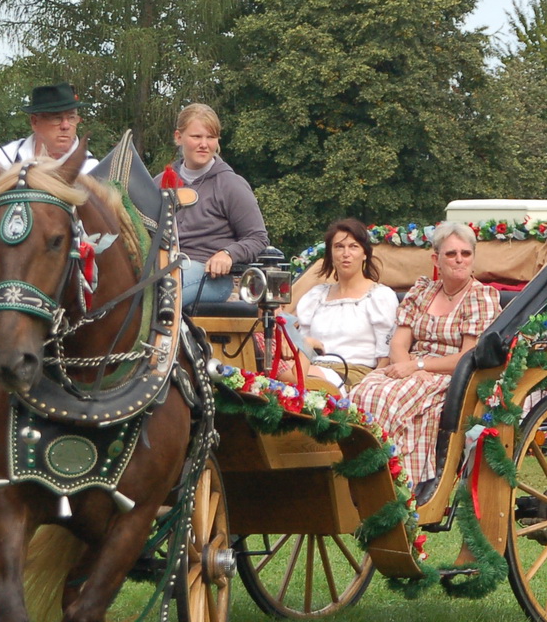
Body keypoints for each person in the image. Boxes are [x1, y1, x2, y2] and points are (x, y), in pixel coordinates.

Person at [351, 222, 501, 496]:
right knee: (364, 391)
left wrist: (418, 366)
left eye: (466, 253)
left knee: (388, 399)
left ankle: (389, 480)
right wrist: (407, 367)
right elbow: (399, 342)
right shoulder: (422, 292)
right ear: (436, 259)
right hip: (409, 367)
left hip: (451, 376)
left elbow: (467, 357)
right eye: (451, 254)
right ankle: (359, 472)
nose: (459, 259)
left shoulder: (480, 296)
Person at [0, 82, 100, 238]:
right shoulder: (7, 155)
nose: (65, 126)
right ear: (34, 122)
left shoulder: (90, 168)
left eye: (71, 117)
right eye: (56, 118)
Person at [160, 104, 269, 307]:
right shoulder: (160, 183)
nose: (204, 144)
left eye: (211, 137)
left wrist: (228, 254)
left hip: (210, 276)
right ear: (178, 137)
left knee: (160, 295)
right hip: (160, 269)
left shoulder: (230, 184)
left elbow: (258, 237)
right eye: (196, 137)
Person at [294, 219, 398, 389]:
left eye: (353, 246)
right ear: (331, 253)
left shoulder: (379, 296)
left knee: (295, 379)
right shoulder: (316, 296)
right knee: (282, 375)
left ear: (365, 253)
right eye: (339, 247)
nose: (346, 253)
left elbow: (385, 356)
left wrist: (368, 388)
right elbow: (301, 344)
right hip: (312, 369)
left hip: (355, 375)